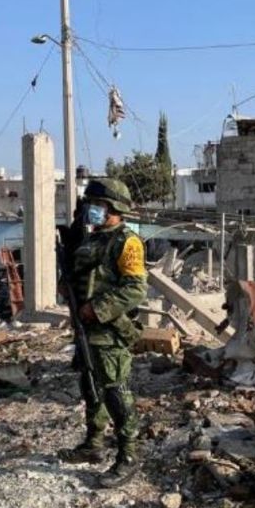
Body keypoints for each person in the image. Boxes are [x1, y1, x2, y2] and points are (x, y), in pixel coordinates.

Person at [58, 179, 148, 488]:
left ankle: (129, 456)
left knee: (115, 392)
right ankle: (94, 444)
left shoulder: (127, 241)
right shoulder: (90, 238)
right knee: (90, 387)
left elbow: (136, 289)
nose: (89, 209)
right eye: (88, 204)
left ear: (112, 208)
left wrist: (96, 308)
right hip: (86, 330)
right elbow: (81, 276)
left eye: (95, 205)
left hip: (109, 332)